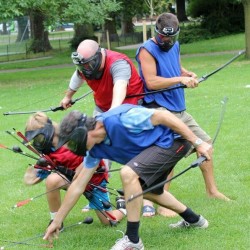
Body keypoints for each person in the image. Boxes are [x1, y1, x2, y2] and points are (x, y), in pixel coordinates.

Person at [43, 104, 213, 249]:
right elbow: (78, 185)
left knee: (128, 173)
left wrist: (197, 142)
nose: (73, 148)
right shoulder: (93, 150)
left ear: (84, 133)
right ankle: (195, 220)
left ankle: (132, 240)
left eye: (73, 142)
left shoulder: (121, 119)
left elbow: (163, 115)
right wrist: (57, 220)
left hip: (174, 142)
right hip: (155, 151)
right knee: (147, 191)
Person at [135, 12, 230, 217]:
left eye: (171, 37)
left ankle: (212, 191)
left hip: (179, 108)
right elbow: (151, 82)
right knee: (170, 154)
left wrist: (186, 74)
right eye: (163, 38)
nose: (167, 41)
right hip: (159, 109)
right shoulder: (146, 50)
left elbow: (175, 67)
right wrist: (180, 79)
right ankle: (160, 204)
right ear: (157, 32)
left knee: (205, 145)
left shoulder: (174, 45)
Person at [60, 38, 144, 211]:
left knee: (135, 151)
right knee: (97, 152)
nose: (86, 70)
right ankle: (100, 195)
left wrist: (111, 115)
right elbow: (78, 76)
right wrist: (68, 96)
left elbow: (120, 87)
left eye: (88, 65)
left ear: (98, 56)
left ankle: (145, 197)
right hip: (102, 109)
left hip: (129, 109)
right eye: (83, 67)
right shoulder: (85, 67)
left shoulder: (118, 63)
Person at [24, 112, 126, 227]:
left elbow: (94, 154)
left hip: (94, 181)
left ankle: (123, 207)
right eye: (36, 140)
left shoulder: (73, 136)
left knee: (109, 221)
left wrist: (82, 166)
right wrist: (35, 174)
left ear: (48, 131)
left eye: (39, 138)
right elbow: (38, 175)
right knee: (52, 181)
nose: (38, 142)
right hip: (71, 180)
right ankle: (56, 221)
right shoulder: (48, 150)